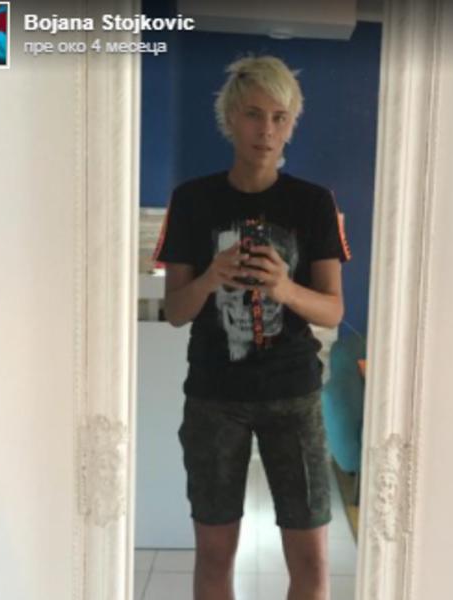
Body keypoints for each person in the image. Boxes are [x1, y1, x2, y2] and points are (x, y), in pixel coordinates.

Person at [154, 55, 350, 600]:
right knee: (215, 553)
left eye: (280, 117)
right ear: (230, 118)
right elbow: (175, 311)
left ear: (292, 125)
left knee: (311, 560)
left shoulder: (314, 203)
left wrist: (284, 288)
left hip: (294, 394)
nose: (266, 130)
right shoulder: (192, 200)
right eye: (253, 114)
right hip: (214, 397)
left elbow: (333, 310)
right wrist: (212, 277)